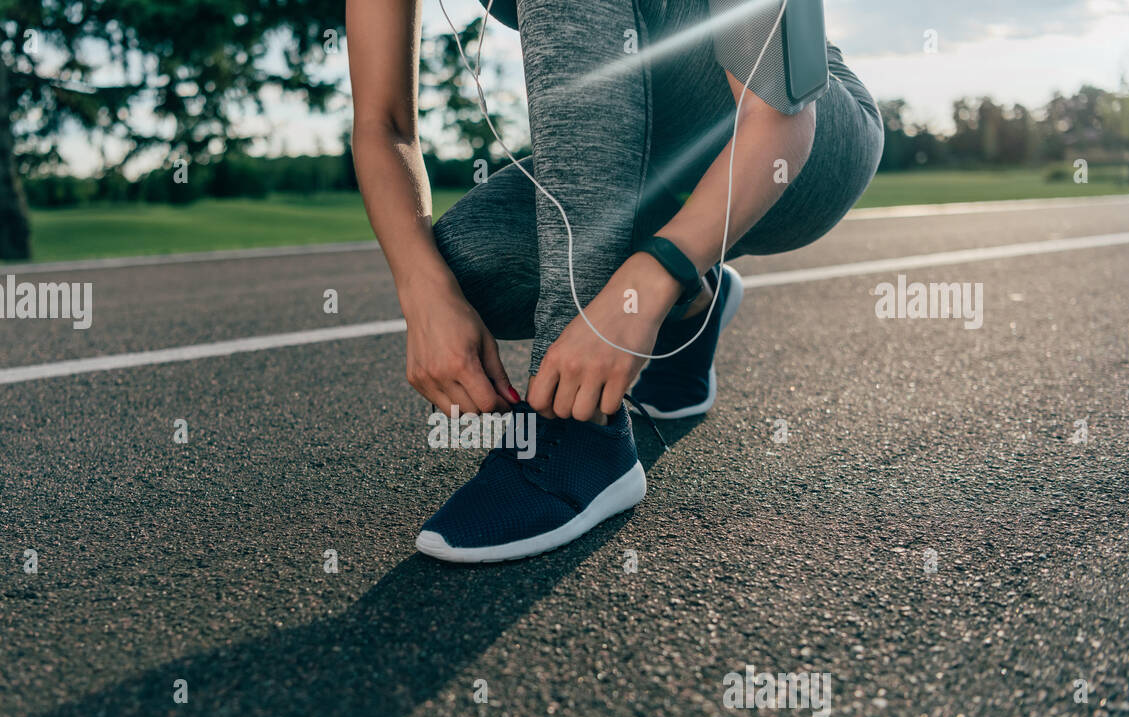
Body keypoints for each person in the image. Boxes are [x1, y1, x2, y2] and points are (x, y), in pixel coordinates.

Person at [347, 0, 882, 562]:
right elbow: (381, 126)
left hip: (801, 142)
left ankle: (581, 433)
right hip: (648, 151)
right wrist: (423, 294)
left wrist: (653, 280)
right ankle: (696, 305)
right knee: (467, 270)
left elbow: (780, 118)